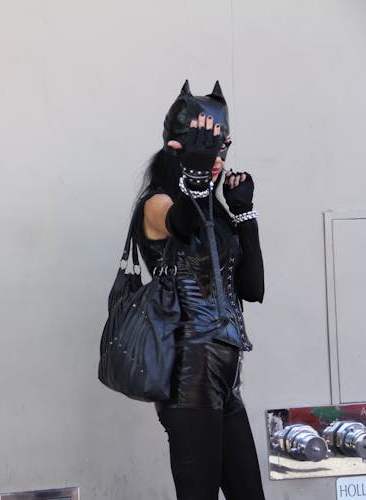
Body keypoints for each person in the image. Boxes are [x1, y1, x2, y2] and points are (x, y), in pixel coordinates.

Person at [134, 80, 265, 500]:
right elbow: (181, 224)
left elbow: (253, 288)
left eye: (222, 146)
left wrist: (245, 215)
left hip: (227, 379)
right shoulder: (157, 203)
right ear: (178, 148)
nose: (217, 157)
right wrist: (194, 179)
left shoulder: (213, 209)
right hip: (188, 376)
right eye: (207, 146)